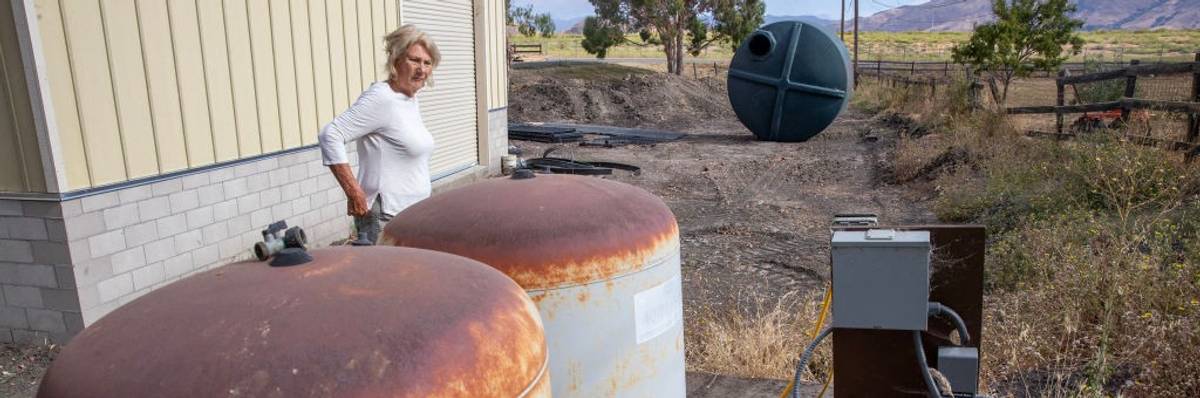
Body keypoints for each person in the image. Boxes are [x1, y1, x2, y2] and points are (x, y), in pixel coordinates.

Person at [318, 24, 439, 245]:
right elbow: (330, 134)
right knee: (383, 278)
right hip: (386, 218)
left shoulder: (410, 99)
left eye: (427, 63)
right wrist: (354, 192)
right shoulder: (382, 97)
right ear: (396, 60)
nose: (421, 69)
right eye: (414, 60)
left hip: (412, 213)